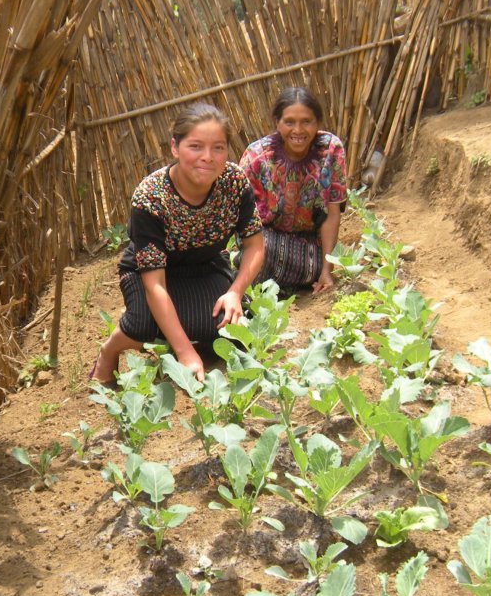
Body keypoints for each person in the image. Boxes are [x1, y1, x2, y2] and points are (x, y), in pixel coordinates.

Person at [91, 103, 264, 384]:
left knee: (228, 330)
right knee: (142, 326)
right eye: (195, 146)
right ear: (175, 147)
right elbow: (155, 284)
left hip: (204, 267)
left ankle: (179, 329)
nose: (207, 157)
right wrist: (186, 354)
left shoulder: (234, 182)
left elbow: (255, 245)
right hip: (149, 273)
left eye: (218, 148)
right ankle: (109, 349)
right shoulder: (151, 196)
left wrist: (235, 291)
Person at [239, 86, 347, 294]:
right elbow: (243, 220)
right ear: (277, 123)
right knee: (261, 251)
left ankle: (270, 285)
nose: (298, 130)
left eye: (306, 122)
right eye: (289, 122)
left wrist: (327, 270)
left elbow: (332, 214)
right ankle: (262, 285)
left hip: (306, 246)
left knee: (313, 269)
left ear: (318, 123)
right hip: (262, 239)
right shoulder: (257, 157)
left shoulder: (330, 150)